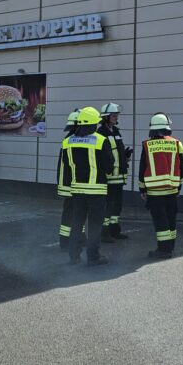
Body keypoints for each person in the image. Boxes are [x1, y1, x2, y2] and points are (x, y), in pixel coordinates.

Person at [63, 106, 114, 266]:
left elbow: (67, 165)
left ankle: (73, 256)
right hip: (96, 190)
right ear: (93, 123)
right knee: (94, 225)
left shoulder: (67, 142)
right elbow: (109, 167)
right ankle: (93, 257)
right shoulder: (100, 140)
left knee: (77, 223)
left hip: (77, 190)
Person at [138, 112, 183, 259]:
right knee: (171, 219)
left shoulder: (147, 145)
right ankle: (170, 247)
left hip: (155, 191)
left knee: (160, 220)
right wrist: (179, 186)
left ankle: (163, 250)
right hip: (172, 190)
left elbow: (142, 167)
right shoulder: (177, 143)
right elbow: (182, 167)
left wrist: (142, 188)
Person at [98, 102, 131, 242]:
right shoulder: (101, 133)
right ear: (106, 117)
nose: (116, 117)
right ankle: (104, 233)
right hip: (109, 177)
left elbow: (116, 151)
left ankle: (114, 230)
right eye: (113, 115)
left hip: (119, 176)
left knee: (117, 205)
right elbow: (102, 155)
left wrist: (125, 155)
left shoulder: (116, 131)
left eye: (117, 115)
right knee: (108, 205)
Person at [56, 109, 81, 252]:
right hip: (73, 185)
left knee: (72, 212)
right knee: (73, 212)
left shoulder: (68, 139)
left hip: (67, 184)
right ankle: (66, 241)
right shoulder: (73, 141)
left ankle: (68, 239)